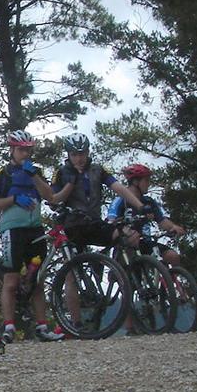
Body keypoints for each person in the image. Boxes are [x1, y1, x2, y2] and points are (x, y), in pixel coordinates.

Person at [50, 132, 152, 328]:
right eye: (74, 154)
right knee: (70, 273)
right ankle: (76, 323)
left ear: (88, 152)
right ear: (68, 155)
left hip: (94, 222)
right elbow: (54, 199)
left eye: (82, 153)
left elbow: (118, 188)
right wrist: (69, 185)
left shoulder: (97, 169)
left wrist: (139, 206)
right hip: (73, 225)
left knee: (124, 235)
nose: (79, 158)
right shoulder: (61, 172)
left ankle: (118, 272)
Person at [0, 130, 71, 344]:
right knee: (11, 280)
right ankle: (9, 327)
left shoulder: (36, 171)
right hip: (12, 230)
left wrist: (34, 176)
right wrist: (14, 199)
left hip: (35, 229)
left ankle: (42, 327)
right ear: (12, 150)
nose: (25, 154)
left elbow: (50, 196)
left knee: (37, 279)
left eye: (28, 150)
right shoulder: (1, 173)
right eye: (21, 150)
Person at [107, 163, 187, 265]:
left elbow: (162, 221)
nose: (148, 184)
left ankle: (171, 276)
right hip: (126, 244)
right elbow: (111, 220)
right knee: (130, 268)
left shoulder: (148, 202)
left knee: (172, 256)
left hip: (146, 242)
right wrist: (124, 230)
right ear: (136, 182)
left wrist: (173, 227)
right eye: (146, 180)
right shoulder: (120, 200)